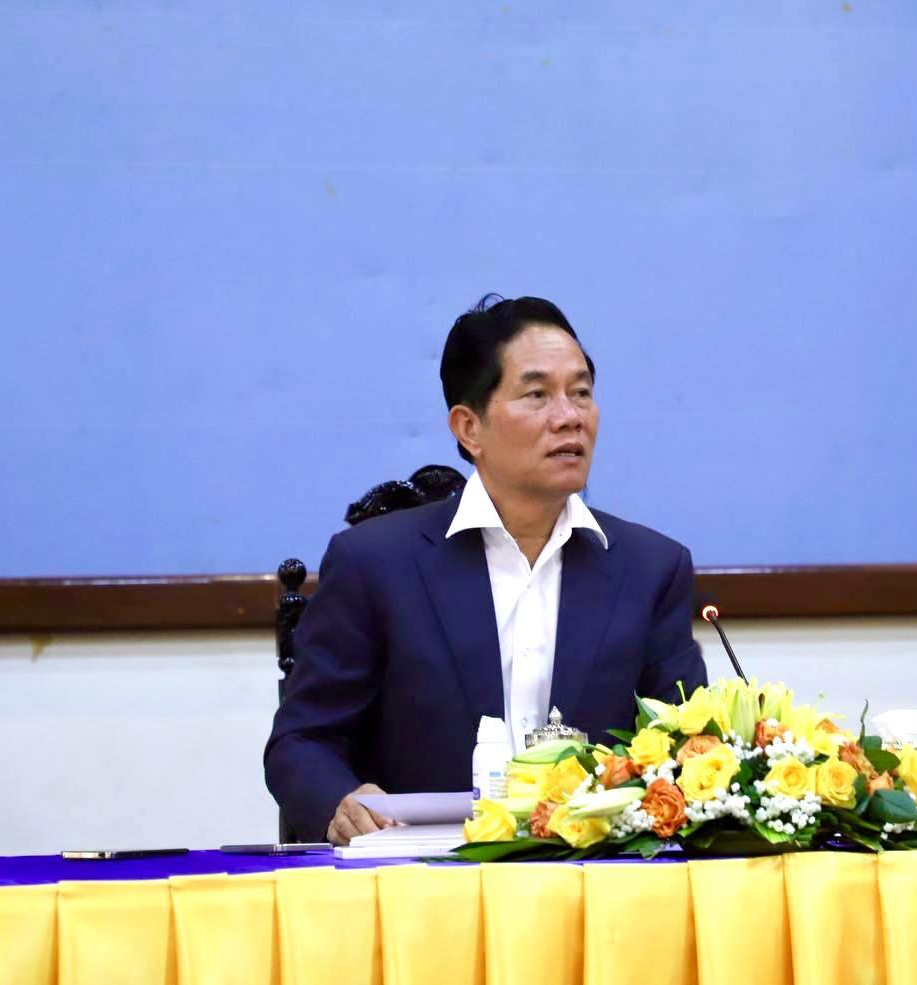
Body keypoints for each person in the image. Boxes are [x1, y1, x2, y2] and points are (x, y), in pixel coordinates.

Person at [264, 295, 707, 844]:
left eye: (581, 392)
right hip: (422, 870)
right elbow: (302, 742)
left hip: (595, 872)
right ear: (469, 428)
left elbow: (688, 745)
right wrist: (342, 800)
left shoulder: (650, 568)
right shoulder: (376, 564)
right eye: (537, 395)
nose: (570, 416)